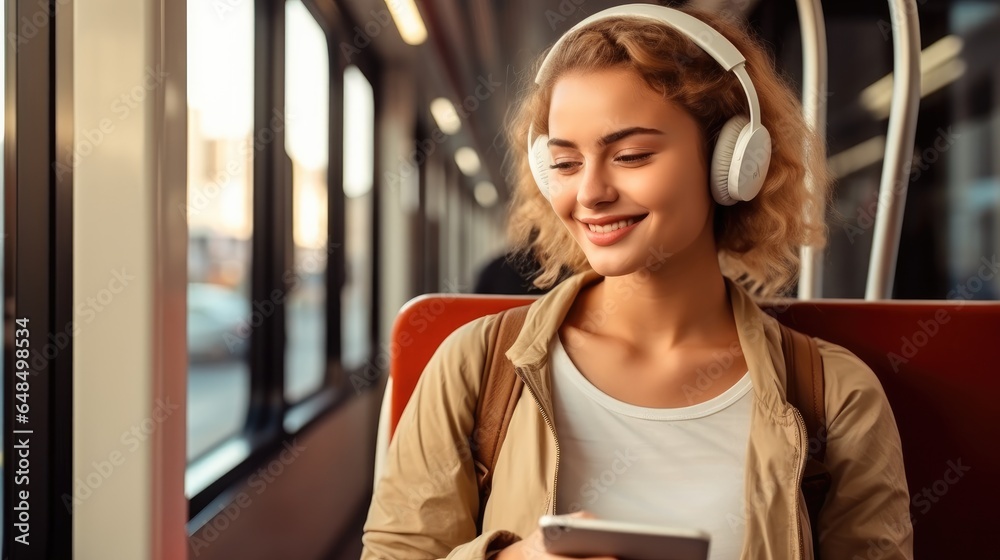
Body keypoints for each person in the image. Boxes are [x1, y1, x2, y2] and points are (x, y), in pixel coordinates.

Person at [362, 5, 912, 560]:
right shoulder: (475, 366)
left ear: (733, 162)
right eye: (566, 163)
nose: (590, 193)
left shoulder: (836, 396)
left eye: (630, 155)